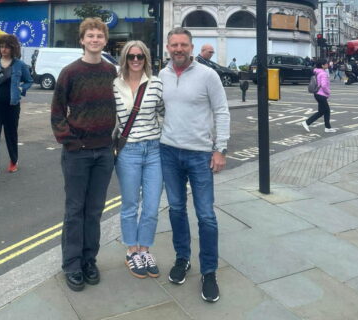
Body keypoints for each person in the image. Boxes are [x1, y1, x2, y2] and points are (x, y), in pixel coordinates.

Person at [159, 27, 230, 303]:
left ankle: (209, 271)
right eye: (174, 45)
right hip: (168, 152)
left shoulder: (208, 75)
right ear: (168, 47)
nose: (178, 49)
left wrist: (220, 149)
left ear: (192, 47)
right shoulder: (162, 76)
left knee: (206, 216)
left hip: (200, 154)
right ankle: (182, 258)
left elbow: (221, 111)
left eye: (183, 45)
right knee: (176, 209)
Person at [51, 18, 117, 292]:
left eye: (99, 36)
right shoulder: (70, 72)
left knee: (94, 211)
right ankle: (72, 265)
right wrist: (70, 142)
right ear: (82, 40)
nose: (94, 40)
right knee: (75, 211)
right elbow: (57, 113)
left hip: (104, 152)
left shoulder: (112, 71)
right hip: (77, 153)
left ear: (105, 40)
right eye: (90, 35)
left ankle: (90, 260)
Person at [113, 40, 164, 279]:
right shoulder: (114, 85)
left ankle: (145, 249)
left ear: (146, 59)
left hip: (154, 150)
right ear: (125, 58)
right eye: (131, 56)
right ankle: (132, 251)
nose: (135, 60)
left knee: (152, 206)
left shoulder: (156, 84)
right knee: (130, 205)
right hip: (128, 152)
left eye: (140, 56)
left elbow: (165, 113)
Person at [0, 34, 33, 192]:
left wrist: (22, 89)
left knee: (11, 134)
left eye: (7, 47)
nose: (4, 49)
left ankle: (13, 160)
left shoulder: (19, 65)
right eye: (2, 46)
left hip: (11, 106)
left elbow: (29, 80)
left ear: (13, 48)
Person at [302, 59, 336, 134]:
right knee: (323, 111)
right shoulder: (323, 73)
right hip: (321, 94)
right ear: (322, 65)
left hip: (317, 93)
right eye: (326, 64)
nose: (327, 65)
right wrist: (328, 92)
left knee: (325, 111)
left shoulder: (317, 72)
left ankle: (328, 127)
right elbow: (323, 85)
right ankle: (307, 122)